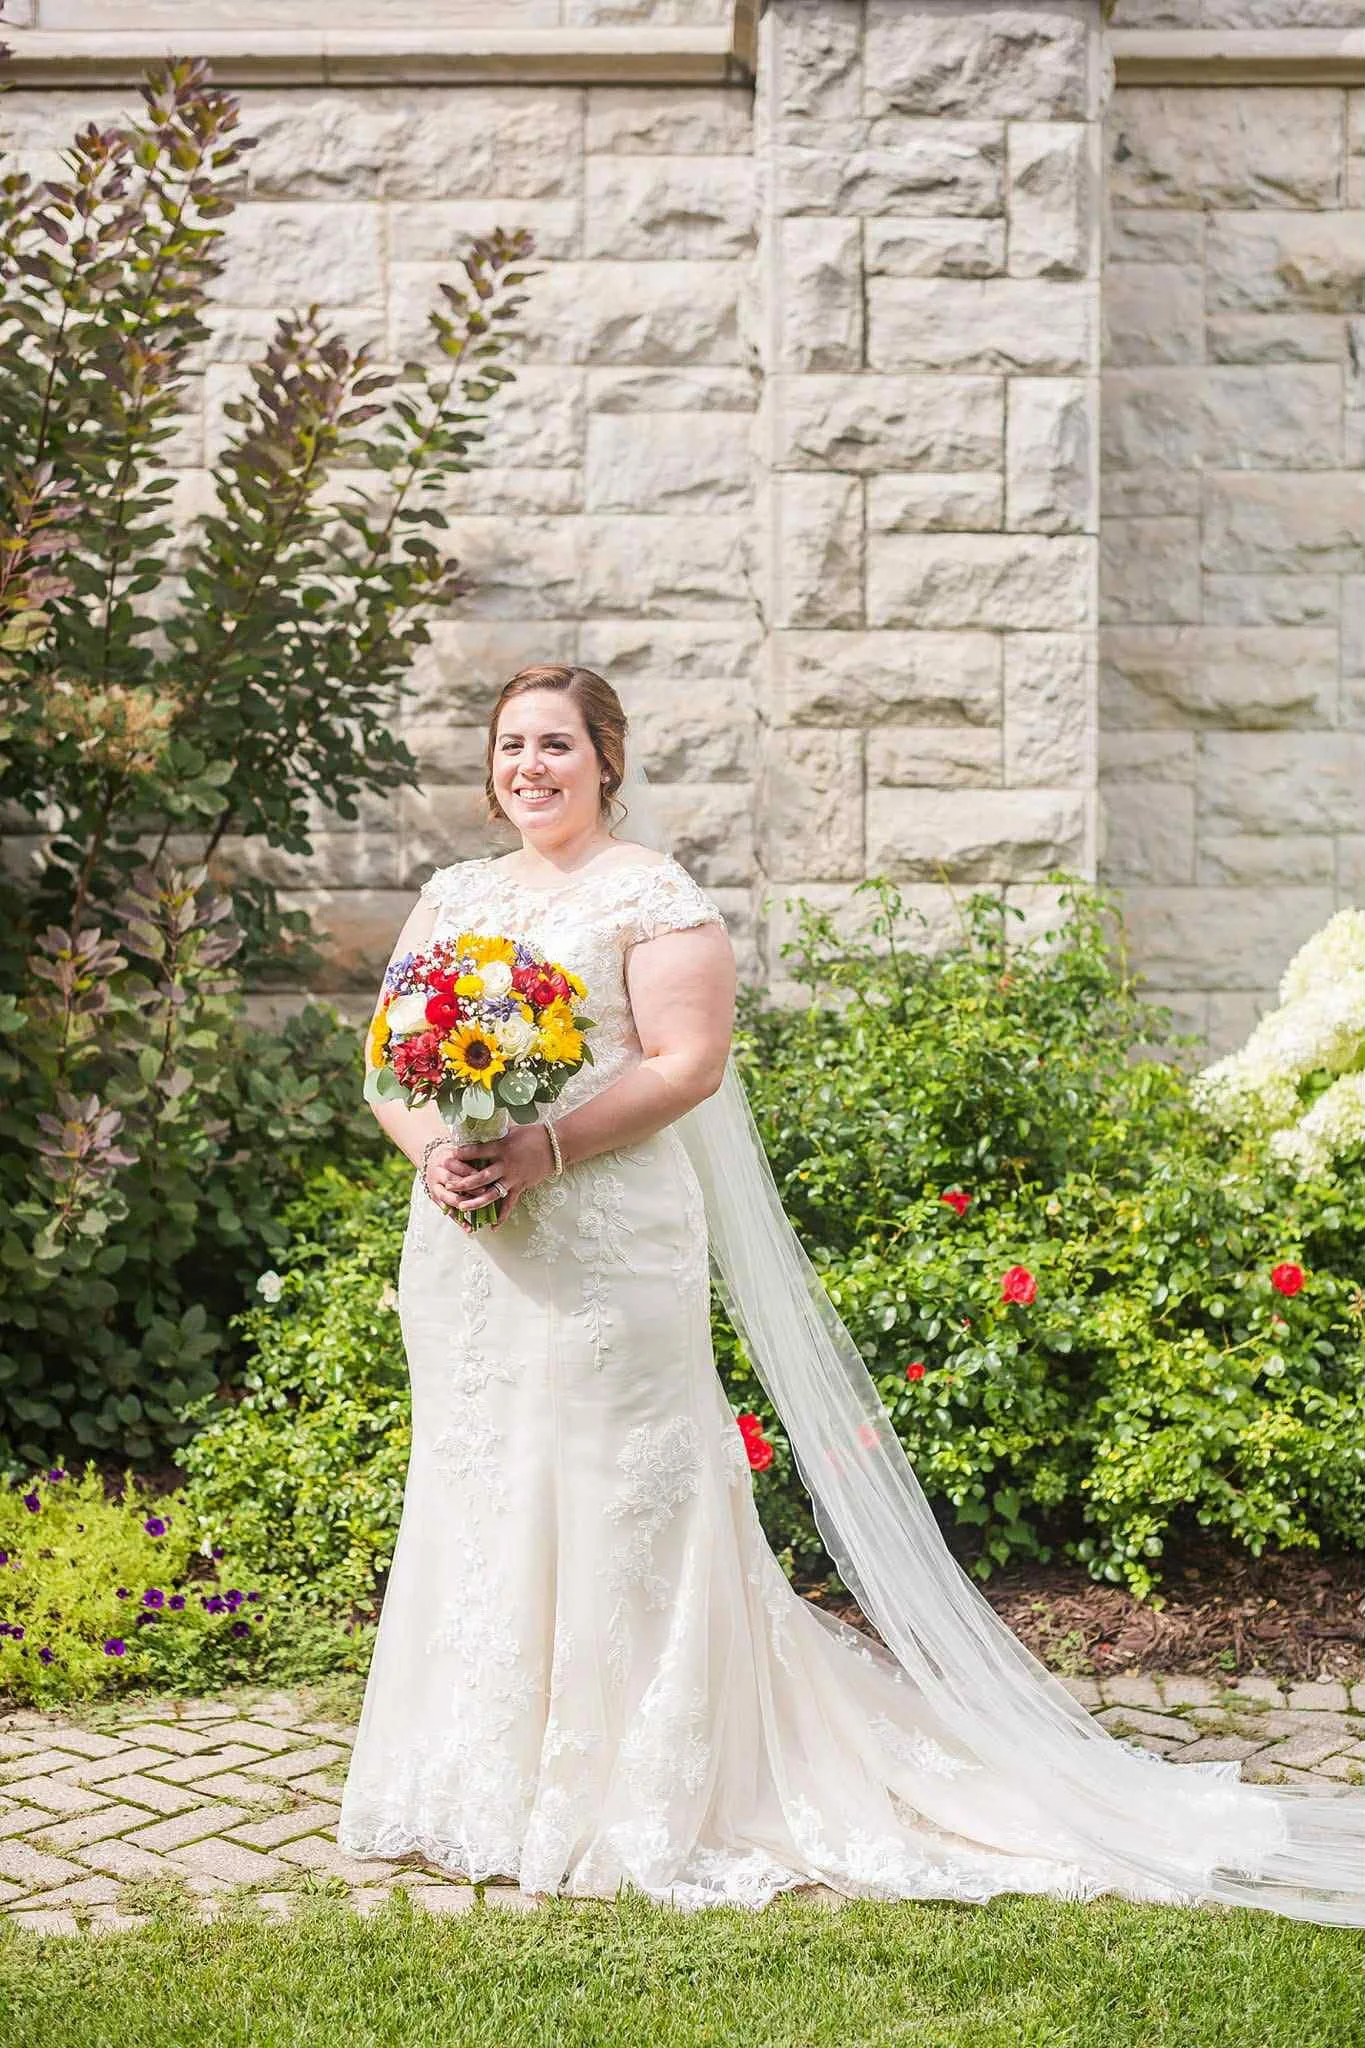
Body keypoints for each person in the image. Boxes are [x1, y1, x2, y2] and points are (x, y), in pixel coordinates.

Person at [338, 664, 1364, 1922]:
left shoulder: (653, 897)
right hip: (471, 1248)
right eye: (510, 746)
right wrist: (431, 1146)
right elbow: (388, 1061)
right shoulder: (452, 897)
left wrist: (544, 1147)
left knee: (617, 1489)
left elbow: (689, 1062)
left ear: (607, 757)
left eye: (556, 743)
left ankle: (639, 1781)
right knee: (483, 1475)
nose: (529, 767)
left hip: (604, 1242)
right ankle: (480, 1780)